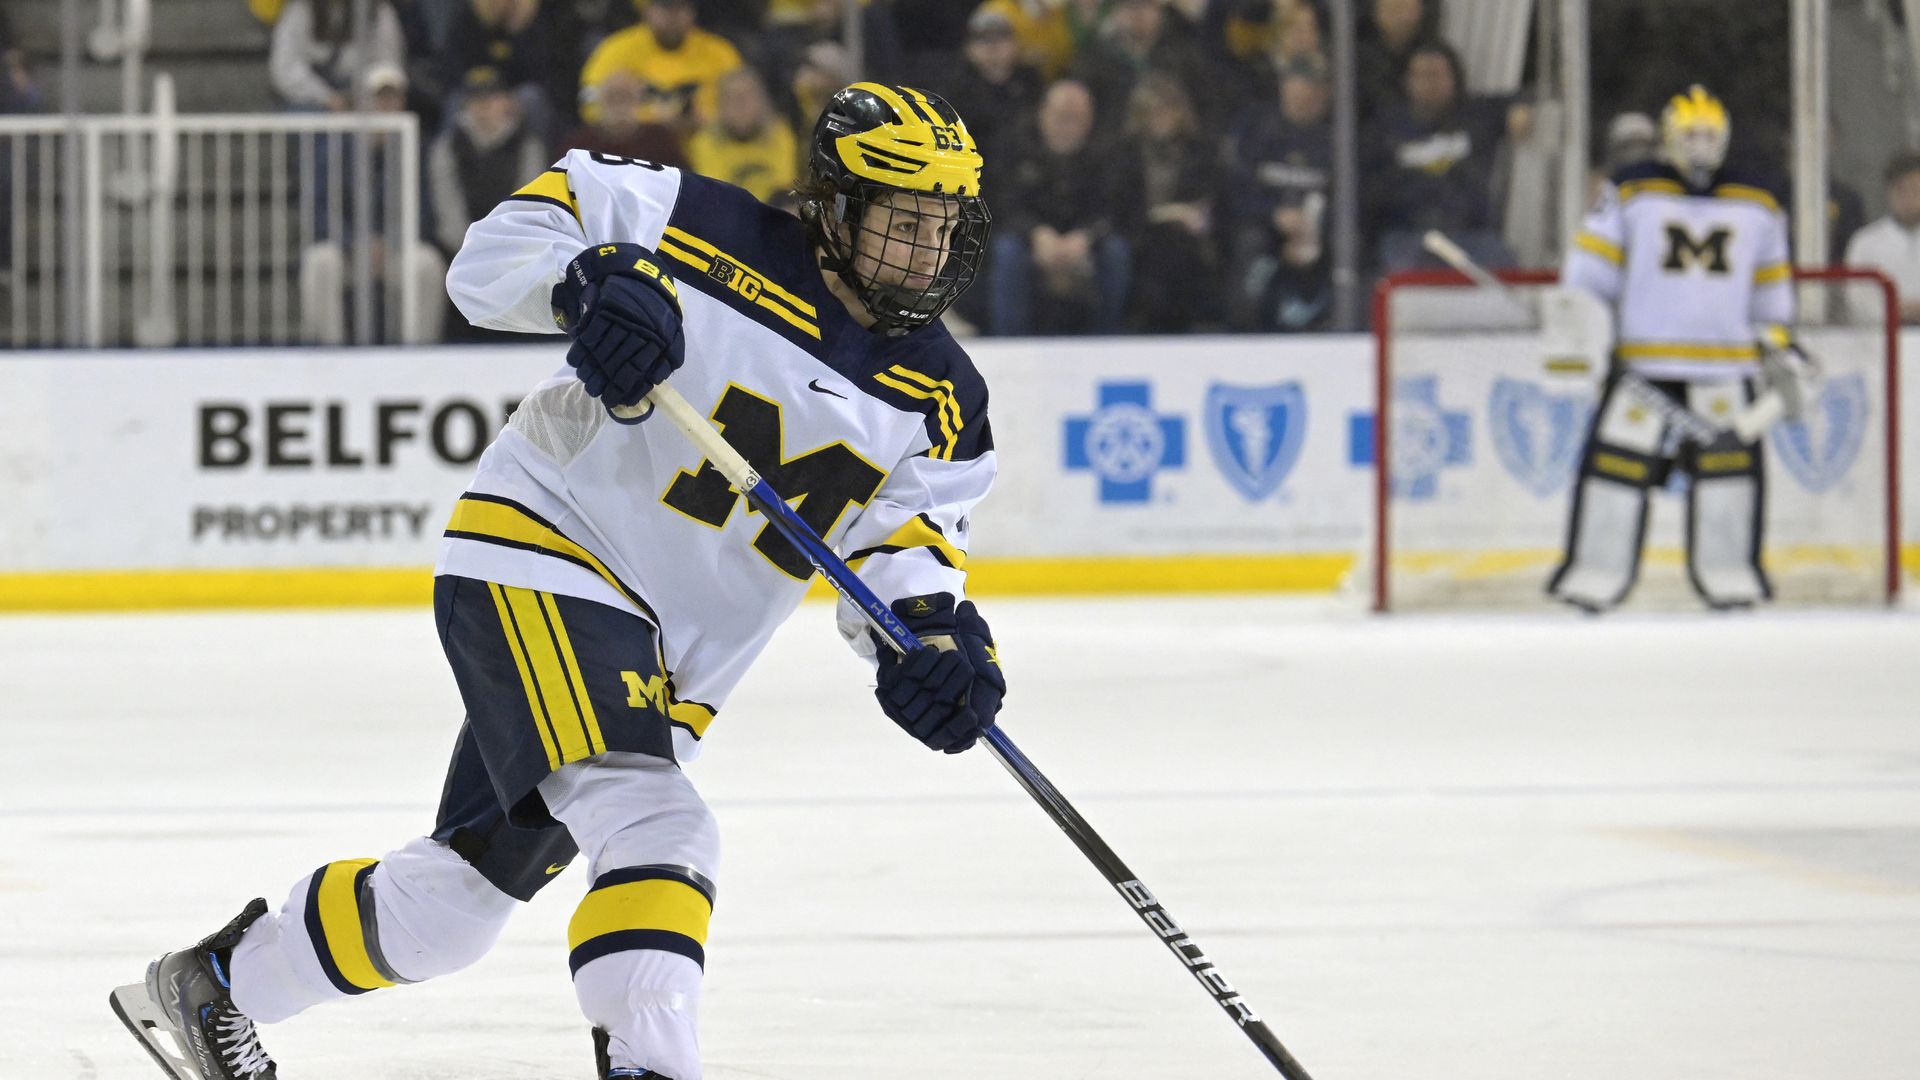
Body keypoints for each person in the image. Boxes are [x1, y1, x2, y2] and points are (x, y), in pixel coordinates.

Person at [111, 80, 1005, 1080]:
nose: (927, 252)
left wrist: (935, 644)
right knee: (656, 819)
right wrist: (584, 284)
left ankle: (216, 986)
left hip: (667, 662)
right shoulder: (687, 218)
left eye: (943, 226)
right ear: (836, 208)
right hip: (547, 551)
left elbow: (908, 554)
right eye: (903, 221)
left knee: (453, 909)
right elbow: (493, 258)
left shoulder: (946, 399)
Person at [1548, 86, 1813, 613]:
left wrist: (1778, 341)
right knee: (1613, 475)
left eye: (1710, 135)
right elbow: (1587, 275)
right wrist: (1585, 336)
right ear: (1667, 137)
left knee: (1729, 482)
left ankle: (1731, 575)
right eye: (1689, 135)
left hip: (1724, 369)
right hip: (1645, 366)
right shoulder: (1631, 188)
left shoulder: (1759, 200)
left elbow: (1770, 293)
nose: (1700, 146)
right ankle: (1593, 575)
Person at [986, 79, 1130, 335]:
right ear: (1043, 113)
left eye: (1079, 119)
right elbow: (1003, 203)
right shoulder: (1015, 145)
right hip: (1029, 237)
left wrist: (1086, 236)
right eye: (1062, 117)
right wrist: (1036, 233)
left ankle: (1108, 338)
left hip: (1085, 240)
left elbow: (1113, 207)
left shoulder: (1107, 152)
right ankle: (1010, 342)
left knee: (1115, 251)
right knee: (1007, 251)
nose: (1070, 127)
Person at [1222, 51, 1331, 331]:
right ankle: (1245, 326)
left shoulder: (1337, 137)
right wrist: (1273, 214)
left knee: (1345, 245)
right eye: (1298, 88)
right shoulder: (1256, 129)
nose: (1306, 96)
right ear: (1284, 88)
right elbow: (1236, 189)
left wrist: (1313, 228)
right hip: (1265, 225)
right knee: (1252, 244)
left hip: (1320, 231)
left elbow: (1353, 197)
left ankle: (1329, 323)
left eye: (1314, 89)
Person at [578, 0, 744, 138]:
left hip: (704, 147)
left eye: (682, 7)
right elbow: (590, 106)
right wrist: (651, 123)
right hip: (639, 148)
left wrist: (703, 120)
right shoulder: (616, 50)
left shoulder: (720, 52)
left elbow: (746, 105)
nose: (673, 16)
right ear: (646, 10)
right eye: (664, 7)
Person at [683, 67, 797, 204]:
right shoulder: (705, 141)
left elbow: (784, 189)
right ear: (719, 105)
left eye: (746, 97)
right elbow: (716, 195)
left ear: (762, 101)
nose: (740, 106)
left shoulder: (779, 134)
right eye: (732, 99)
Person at [1843, 150, 1920, 324]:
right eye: (1901, 189)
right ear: (1889, 191)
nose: (1909, 197)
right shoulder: (1864, 242)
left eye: (1916, 188)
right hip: (1881, 342)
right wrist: (1897, 310)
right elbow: (1856, 300)